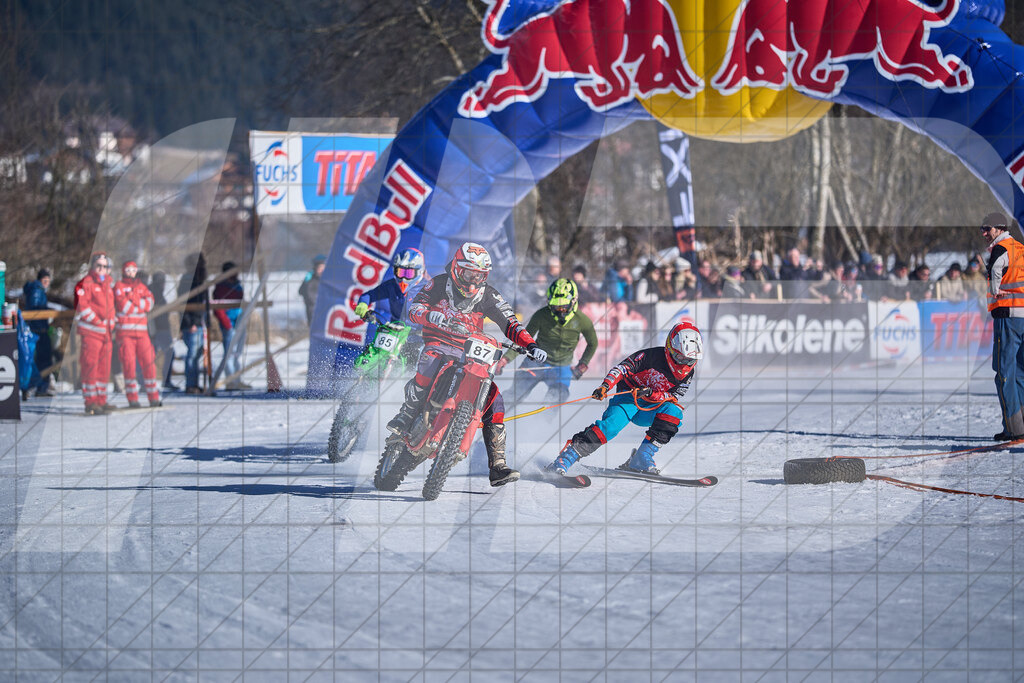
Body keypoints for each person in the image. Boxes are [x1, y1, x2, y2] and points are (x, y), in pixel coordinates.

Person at [385, 242, 546, 487]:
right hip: (439, 341)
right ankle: (406, 415)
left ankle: (498, 464)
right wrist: (429, 315)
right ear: (457, 269)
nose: (473, 281)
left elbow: (510, 322)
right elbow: (414, 307)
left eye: (479, 275)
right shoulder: (439, 284)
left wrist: (530, 345)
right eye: (469, 273)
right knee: (430, 361)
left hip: (470, 350)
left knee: (494, 397)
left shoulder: (488, 294)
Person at [548, 322, 703, 475]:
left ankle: (642, 457)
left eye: (690, 360)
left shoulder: (689, 372)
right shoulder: (650, 356)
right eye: (680, 358)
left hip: (650, 408)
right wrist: (605, 386)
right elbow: (621, 369)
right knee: (610, 427)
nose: (685, 365)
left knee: (674, 412)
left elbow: (674, 396)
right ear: (669, 349)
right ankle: (567, 457)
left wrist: (651, 394)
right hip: (627, 399)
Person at [496, 278, 598, 403]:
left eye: (564, 306)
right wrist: (505, 359)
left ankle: (542, 421)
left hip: (562, 367)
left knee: (558, 396)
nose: (560, 310)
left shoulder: (582, 320)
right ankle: (493, 416)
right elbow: (523, 338)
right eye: (556, 306)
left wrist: (583, 364)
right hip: (536, 362)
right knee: (515, 394)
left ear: (574, 301)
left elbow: (593, 343)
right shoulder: (541, 315)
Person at [981, 212, 1024, 441]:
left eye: (987, 229)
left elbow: (996, 272)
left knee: (1004, 373)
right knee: (1020, 373)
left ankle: (1014, 429)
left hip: (1008, 316)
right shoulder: (1021, 247)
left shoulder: (1000, 249)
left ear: (999, 229)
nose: (985, 234)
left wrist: (994, 288)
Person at [353, 247, 428, 364]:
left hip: (416, 338)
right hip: (392, 332)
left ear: (419, 272)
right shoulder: (391, 286)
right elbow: (368, 295)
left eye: (408, 273)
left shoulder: (428, 289)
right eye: (400, 272)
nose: (403, 278)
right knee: (370, 355)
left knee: (416, 364)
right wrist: (362, 306)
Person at [113, 260, 162, 407]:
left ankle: (153, 397)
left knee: (149, 363)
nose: (130, 273)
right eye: (127, 270)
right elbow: (123, 306)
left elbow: (149, 304)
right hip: (125, 333)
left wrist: (134, 300)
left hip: (142, 333)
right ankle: (132, 398)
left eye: (133, 270)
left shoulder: (142, 287)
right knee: (129, 365)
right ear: (123, 271)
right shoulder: (119, 286)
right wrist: (138, 305)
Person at [75, 252, 117, 414]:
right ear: (92, 266)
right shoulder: (86, 283)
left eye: (105, 266)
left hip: (106, 334)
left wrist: (111, 322)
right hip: (91, 332)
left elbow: (111, 308)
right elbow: (83, 307)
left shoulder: (108, 284)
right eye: (98, 265)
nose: (101, 269)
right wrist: (98, 321)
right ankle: (90, 402)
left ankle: (101, 400)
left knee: (103, 369)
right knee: (90, 367)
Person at [213, 262, 249, 390]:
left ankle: (237, 379)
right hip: (228, 324)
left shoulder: (237, 285)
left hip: (240, 322)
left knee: (237, 353)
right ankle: (230, 381)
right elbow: (217, 308)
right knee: (229, 353)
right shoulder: (220, 288)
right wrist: (227, 324)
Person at [178, 253, 208, 395]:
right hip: (192, 324)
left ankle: (194, 383)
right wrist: (190, 323)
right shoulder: (187, 280)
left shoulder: (200, 280)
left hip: (199, 323)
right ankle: (191, 385)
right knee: (192, 355)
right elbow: (184, 304)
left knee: (196, 355)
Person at [22, 268, 54, 397]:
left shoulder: (39, 290)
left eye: (48, 281)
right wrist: (43, 318)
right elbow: (35, 309)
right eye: (44, 280)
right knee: (43, 358)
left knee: (41, 359)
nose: (46, 283)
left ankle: (40, 386)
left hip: (39, 328)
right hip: (38, 330)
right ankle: (38, 386)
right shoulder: (37, 290)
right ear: (40, 280)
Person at [148, 272, 177, 390]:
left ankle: (152, 381)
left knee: (155, 355)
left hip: (160, 329)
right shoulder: (154, 292)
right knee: (168, 353)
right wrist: (152, 330)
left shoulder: (156, 292)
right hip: (158, 330)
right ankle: (155, 381)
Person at [299, 254, 326, 325]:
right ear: (316, 268)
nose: (322, 270)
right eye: (320, 268)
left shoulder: (327, 280)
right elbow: (302, 292)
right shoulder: (311, 280)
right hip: (314, 312)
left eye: (324, 268)